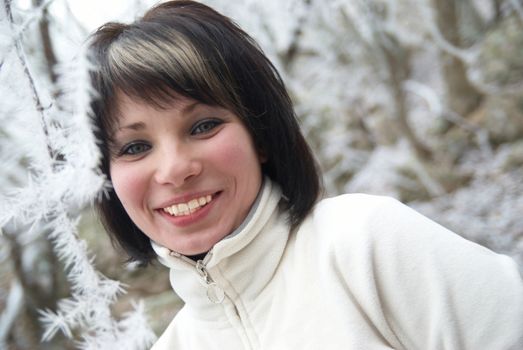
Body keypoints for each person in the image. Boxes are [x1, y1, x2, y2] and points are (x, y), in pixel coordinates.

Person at [88, 1, 523, 349]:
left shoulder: (365, 244)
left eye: (203, 126)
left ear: (259, 135)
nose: (175, 169)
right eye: (135, 147)